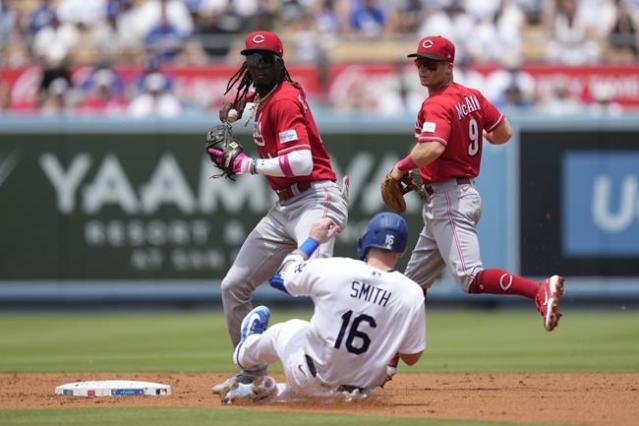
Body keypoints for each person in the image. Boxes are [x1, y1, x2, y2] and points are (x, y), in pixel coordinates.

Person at [385, 35, 564, 332]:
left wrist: (399, 168)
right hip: (455, 193)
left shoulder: (437, 104)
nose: (423, 68)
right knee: (410, 288)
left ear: (449, 66)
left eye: (431, 63)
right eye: (419, 62)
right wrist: (480, 139)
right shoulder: (472, 96)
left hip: (449, 198)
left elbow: (432, 148)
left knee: (470, 278)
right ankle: (388, 358)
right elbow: (504, 132)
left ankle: (539, 291)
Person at [210, 30, 349, 393]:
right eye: (250, 60)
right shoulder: (267, 96)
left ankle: (344, 372)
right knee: (234, 286)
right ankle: (252, 374)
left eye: (264, 60)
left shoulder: (284, 99)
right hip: (285, 206)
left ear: (278, 62)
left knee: (317, 283)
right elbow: (252, 106)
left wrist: (249, 166)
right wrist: (233, 114)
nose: (256, 67)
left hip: (316, 200)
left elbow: (302, 161)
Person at [219, 214, 426, 404]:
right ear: (401, 250)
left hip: (307, 375)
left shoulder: (337, 268)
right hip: (358, 394)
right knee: (329, 384)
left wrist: (313, 240)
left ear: (366, 240)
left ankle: (244, 353)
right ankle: (269, 393)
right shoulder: (411, 292)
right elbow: (411, 357)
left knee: (287, 329)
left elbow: (280, 277)